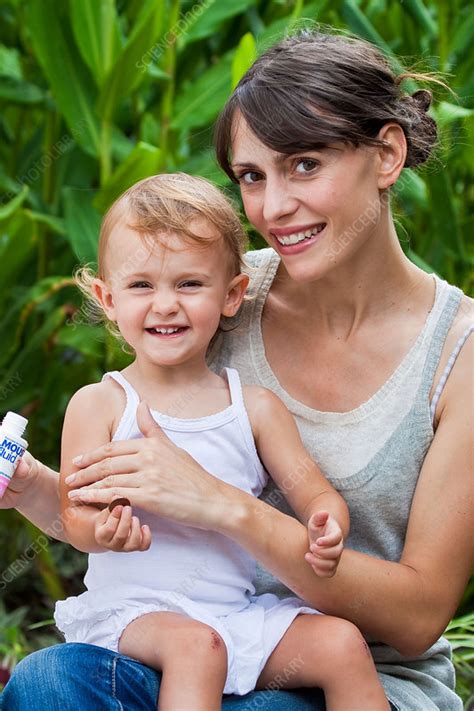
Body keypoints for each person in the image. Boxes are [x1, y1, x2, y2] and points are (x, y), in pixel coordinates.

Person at [2, 28, 472, 711]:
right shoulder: (210, 290)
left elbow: (419, 613)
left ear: (388, 154)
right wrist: (38, 485)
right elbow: (110, 492)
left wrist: (223, 505)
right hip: (184, 650)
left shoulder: (457, 357)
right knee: (48, 683)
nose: (273, 208)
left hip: (353, 671)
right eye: (252, 176)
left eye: (304, 164)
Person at [51, 171, 389, 711]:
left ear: (232, 294)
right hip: (136, 613)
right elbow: (74, 517)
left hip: (233, 613)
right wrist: (103, 531)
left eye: (189, 284)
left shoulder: (252, 408)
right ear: (107, 298)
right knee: (195, 648)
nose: (165, 305)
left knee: (341, 643)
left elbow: (313, 492)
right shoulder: (103, 403)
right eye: (141, 286)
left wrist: (328, 523)